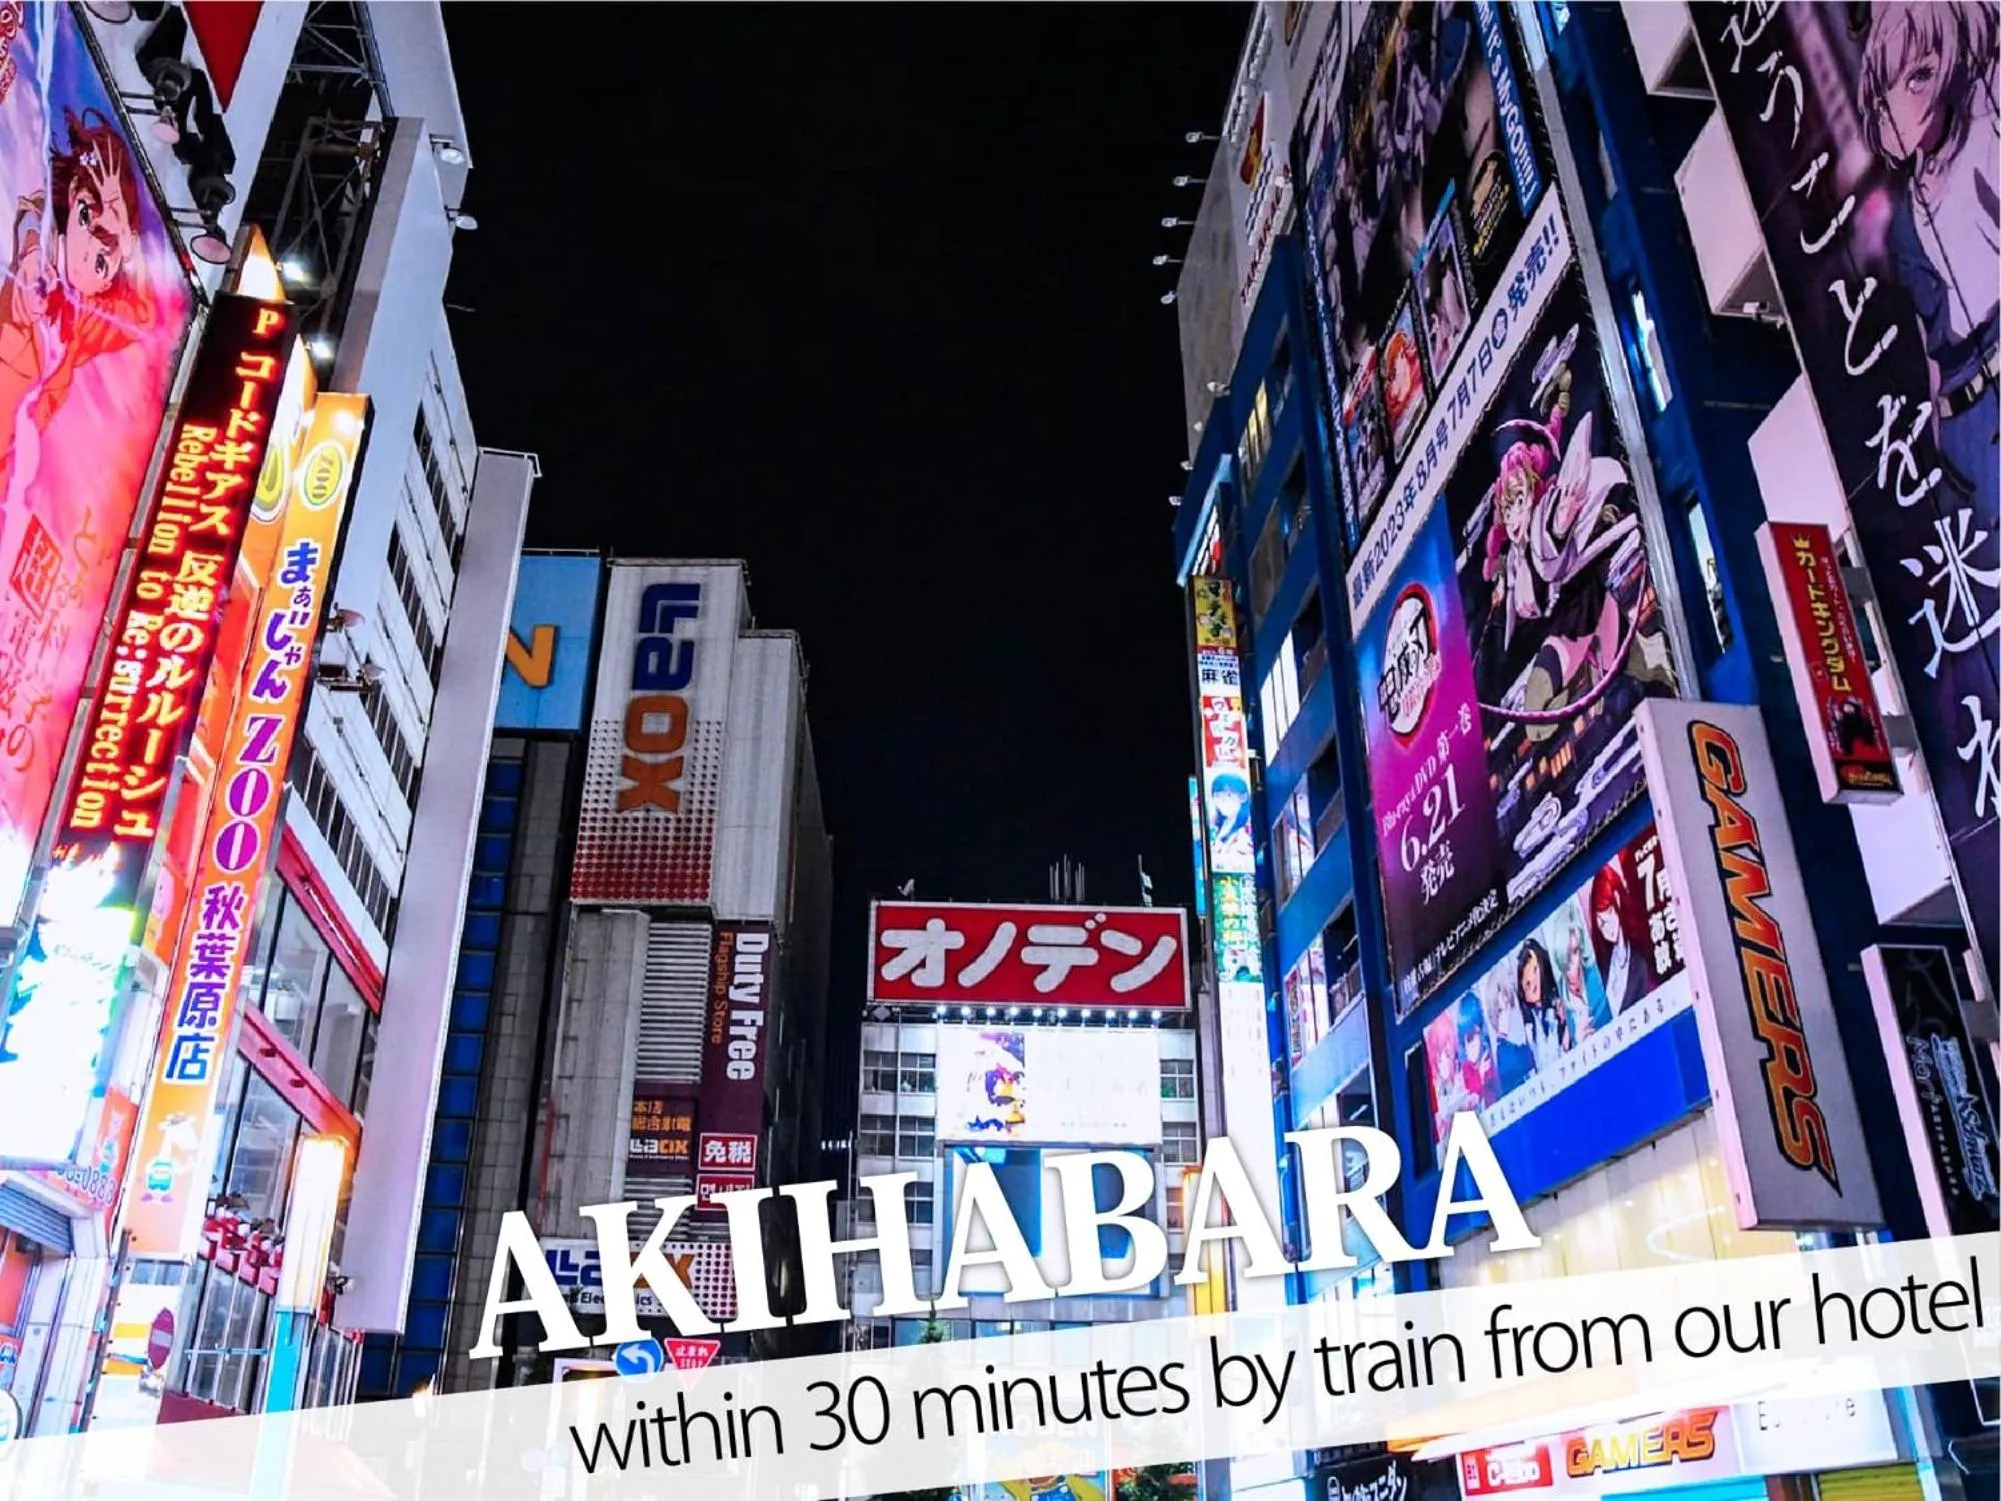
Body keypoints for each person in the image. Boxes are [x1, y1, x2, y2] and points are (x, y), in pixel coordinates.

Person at [1857, 1, 1999, 515]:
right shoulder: (1905, 214)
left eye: (1917, 76)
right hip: (1964, 423)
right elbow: (1929, 344)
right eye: (1884, 91)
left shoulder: (1986, 134)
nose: (1893, 106)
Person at [0, 108, 161, 506]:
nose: (90, 250)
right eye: (88, 217)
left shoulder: (82, 320)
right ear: (73, 197)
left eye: (105, 262)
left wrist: (128, 240)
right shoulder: (28, 235)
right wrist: (30, 247)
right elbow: (26, 210)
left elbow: (142, 315)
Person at [1589, 857, 1650, 1016]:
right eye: (1600, 923)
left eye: (1608, 914)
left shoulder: (1640, 961)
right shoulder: (1603, 966)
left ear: (1618, 901)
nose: (1606, 929)